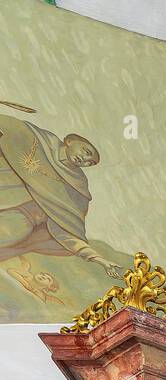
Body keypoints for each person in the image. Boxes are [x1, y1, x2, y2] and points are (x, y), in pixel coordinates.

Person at [0, 113, 122, 276]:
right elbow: (8, 132)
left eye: (89, 162)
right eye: (86, 151)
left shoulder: (75, 189)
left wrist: (99, 259)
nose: (84, 160)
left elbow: (66, 229)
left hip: (18, 220)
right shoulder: (37, 140)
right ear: (69, 140)